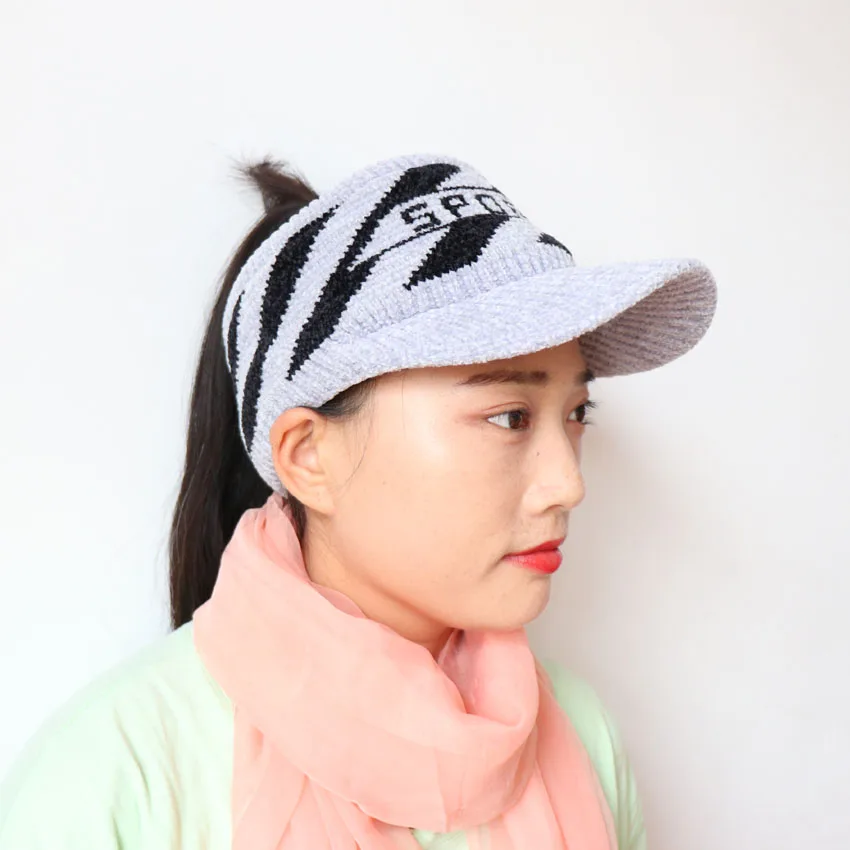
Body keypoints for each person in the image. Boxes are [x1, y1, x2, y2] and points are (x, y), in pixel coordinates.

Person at [0, 152, 718, 850]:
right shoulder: (113, 778)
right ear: (309, 456)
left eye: (577, 413)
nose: (569, 484)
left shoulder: (582, 732)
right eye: (509, 417)